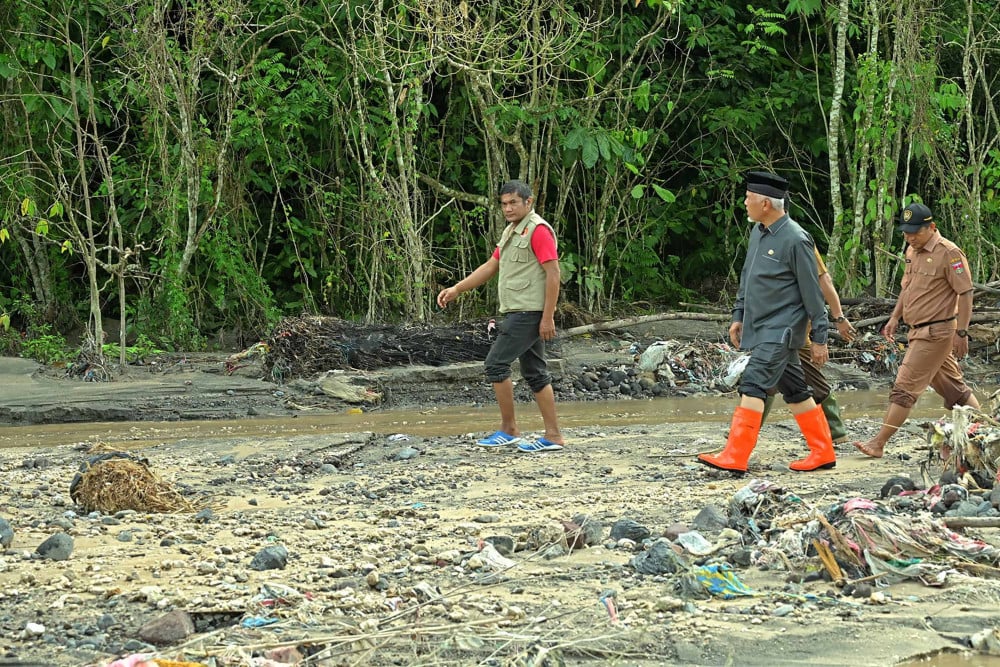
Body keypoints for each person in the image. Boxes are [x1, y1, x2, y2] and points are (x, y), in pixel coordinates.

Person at [697, 171, 835, 473]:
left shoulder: (797, 239)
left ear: (766, 204)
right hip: (760, 326)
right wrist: (739, 315)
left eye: (749, 198)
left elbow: (814, 295)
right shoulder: (758, 231)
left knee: (753, 383)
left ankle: (735, 456)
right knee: (796, 390)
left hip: (781, 330)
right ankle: (823, 451)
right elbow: (748, 277)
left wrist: (821, 337)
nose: (745, 203)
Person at [436, 179, 566, 453]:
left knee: (495, 364)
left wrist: (547, 317)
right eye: (504, 204)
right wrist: (457, 289)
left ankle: (509, 429)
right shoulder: (511, 231)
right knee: (535, 373)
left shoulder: (538, 231)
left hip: (529, 313)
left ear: (528, 202)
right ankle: (553, 436)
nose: (507, 208)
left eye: (513, 203)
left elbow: (554, 274)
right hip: (517, 310)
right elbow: (491, 265)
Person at [854, 202, 980, 458]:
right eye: (906, 232)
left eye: (915, 232)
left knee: (904, 388)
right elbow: (907, 288)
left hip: (936, 333)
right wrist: (894, 317)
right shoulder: (912, 251)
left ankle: (878, 443)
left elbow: (966, 293)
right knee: (955, 391)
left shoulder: (950, 253)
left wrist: (962, 332)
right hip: (918, 331)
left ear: (931, 227)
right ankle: (983, 431)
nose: (910, 237)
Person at [760, 247, 856, 442]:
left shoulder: (798, 240)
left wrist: (838, 318)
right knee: (771, 378)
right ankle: (835, 432)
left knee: (766, 377)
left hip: (793, 324)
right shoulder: (765, 240)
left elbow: (824, 281)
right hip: (774, 323)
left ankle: (746, 432)